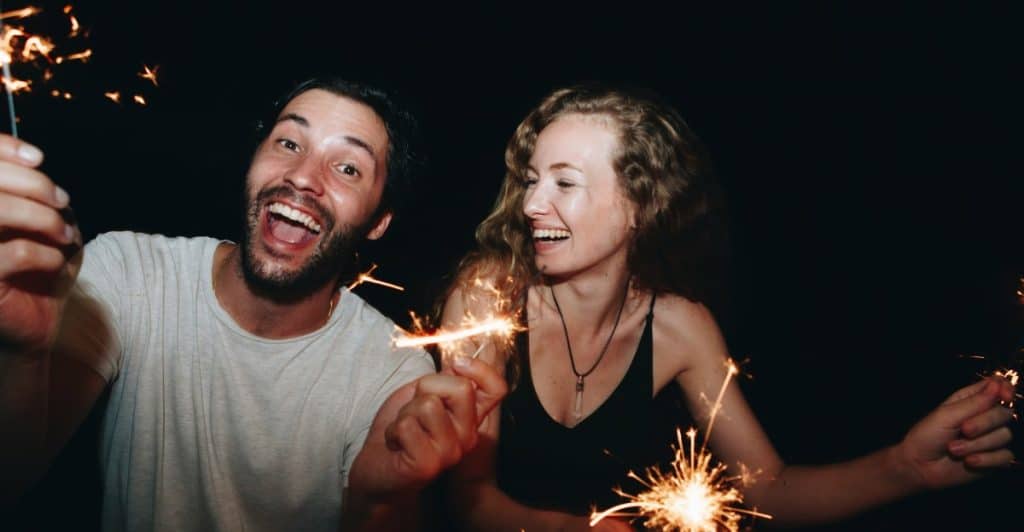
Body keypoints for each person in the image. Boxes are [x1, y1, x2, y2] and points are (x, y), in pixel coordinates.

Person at [439, 84, 1016, 531]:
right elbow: (466, 502)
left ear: (641, 202)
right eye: (532, 179)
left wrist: (904, 467)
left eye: (564, 183)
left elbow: (768, 492)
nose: (533, 203)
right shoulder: (489, 299)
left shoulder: (681, 328)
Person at [0, 77, 506, 531]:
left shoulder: (393, 370)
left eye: (348, 168)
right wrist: (22, 354)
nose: (304, 177)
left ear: (378, 222)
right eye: (289, 142)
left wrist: (378, 504)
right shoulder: (132, 272)